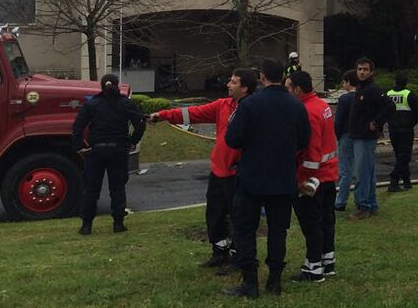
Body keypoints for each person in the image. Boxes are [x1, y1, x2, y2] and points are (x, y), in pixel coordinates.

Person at [148, 68, 256, 270]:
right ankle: (219, 252)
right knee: (214, 214)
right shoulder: (222, 105)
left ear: (245, 88)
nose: (228, 85)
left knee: (239, 217)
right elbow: (192, 113)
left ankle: (238, 256)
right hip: (218, 171)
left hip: (238, 174)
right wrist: (162, 115)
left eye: (233, 82)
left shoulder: (252, 109)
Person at [223, 59, 310, 298]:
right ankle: (274, 280)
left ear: (262, 76)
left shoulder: (250, 105)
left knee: (245, 229)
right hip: (283, 177)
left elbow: (232, 139)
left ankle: (250, 282)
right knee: (277, 230)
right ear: (283, 76)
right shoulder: (296, 106)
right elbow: (303, 140)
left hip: (252, 176)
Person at [71, 73, 146, 235]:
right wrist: (132, 141)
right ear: (118, 85)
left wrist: (79, 147)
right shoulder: (126, 104)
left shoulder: (92, 104)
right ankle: (118, 223)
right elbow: (140, 124)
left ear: (101, 86)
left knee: (91, 188)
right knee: (117, 188)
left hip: (96, 150)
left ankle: (86, 225)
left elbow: (77, 127)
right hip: (118, 150)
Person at [286, 70, 338, 282]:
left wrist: (301, 179)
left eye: (288, 87)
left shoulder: (306, 112)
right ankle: (327, 262)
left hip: (313, 178)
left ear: (297, 89)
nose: (286, 91)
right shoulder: (321, 105)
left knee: (311, 223)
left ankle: (313, 268)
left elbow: (311, 152)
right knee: (326, 221)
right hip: (328, 175)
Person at [346, 57, 393, 220]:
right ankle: (372, 205)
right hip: (358, 135)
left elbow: (389, 106)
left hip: (365, 137)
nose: (362, 72)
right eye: (359, 69)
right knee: (368, 171)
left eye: (365, 69)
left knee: (362, 172)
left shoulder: (373, 89)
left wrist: (377, 123)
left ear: (371, 72)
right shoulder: (361, 88)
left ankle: (363, 206)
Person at [386, 72, 418, 192]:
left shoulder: (388, 94)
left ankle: (407, 182)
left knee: (400, 156)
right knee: (404, 156)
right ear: (406, 83)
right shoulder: (409, 95)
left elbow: (382, 111)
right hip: (406, 130)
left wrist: (380, 128)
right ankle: (394, 181)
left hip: (392, 130)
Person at [332, 70, 358, 212]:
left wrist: (336, 135)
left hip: (346, 135)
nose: (343, 84)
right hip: (361, 136)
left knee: (345, 169)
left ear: (348, 82)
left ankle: (341, 201)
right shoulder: (363, 96)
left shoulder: (345, 99)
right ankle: (361, 199)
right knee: (361, 168)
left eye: (344, 82)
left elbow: (339, 121)